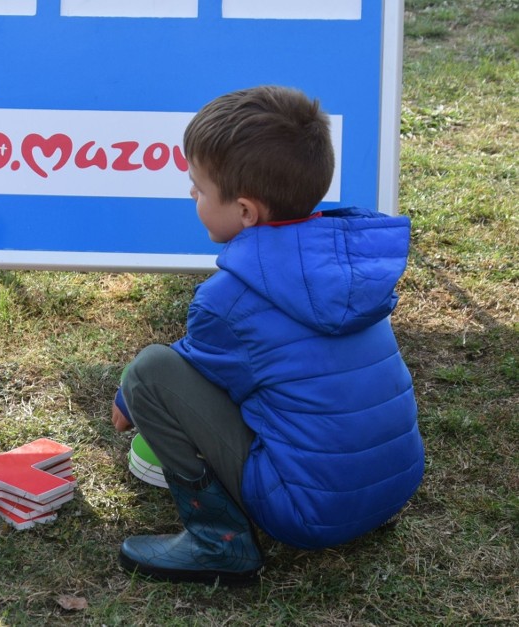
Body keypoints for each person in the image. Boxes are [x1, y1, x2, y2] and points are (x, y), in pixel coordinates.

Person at [110, 85, 425, 586]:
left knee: (149, 371)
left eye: (199, 188)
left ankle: (218, 541)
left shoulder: (226, 300)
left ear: (245, 212)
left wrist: (129, 396)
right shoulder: (348, 268)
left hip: (308, 511)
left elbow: (186, 371)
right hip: (392, 486)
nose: (191, 194)